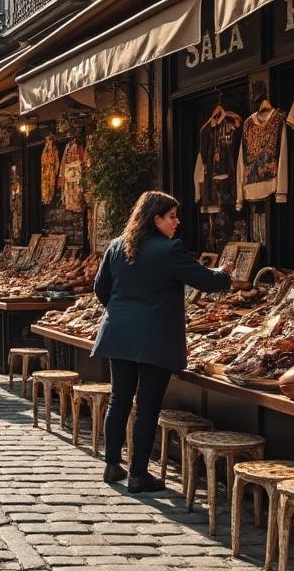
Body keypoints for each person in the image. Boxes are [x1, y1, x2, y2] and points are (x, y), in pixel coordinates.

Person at [92, 191, 233, 494]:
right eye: (171, 216)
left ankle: (112, 464)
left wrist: (120, 311)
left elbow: (100, 287)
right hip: (154, 338)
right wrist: (225, 273)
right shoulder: (169, 250)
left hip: (119, 333)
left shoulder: (117, 246)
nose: (177, 222)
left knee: (119, 398)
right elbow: (205, 281)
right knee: (146, 406)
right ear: (155, 218)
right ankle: (139, 474)